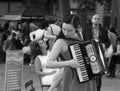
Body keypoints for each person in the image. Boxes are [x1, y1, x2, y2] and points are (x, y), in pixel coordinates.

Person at [45, 14, 97, 91]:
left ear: (77, 28)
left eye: (70, 30)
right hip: (72, 78)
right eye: (63, 29)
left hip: (87, 77)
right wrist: (68, 63)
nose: (66, 33)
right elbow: (48, 63)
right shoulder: (60, 42)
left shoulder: (79, 36)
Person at [84, 14, 110, 91]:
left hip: (100, 53)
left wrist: (104, 45)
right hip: (89, 52)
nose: (96, 20)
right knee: (89, 72)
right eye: (95, 18)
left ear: (100, 21)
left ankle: (97, 89)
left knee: (99, 73)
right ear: (92, 19)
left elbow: (108, 41)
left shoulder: (104, 30)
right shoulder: (86, 29)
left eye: (98, 19)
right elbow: (83, 40)